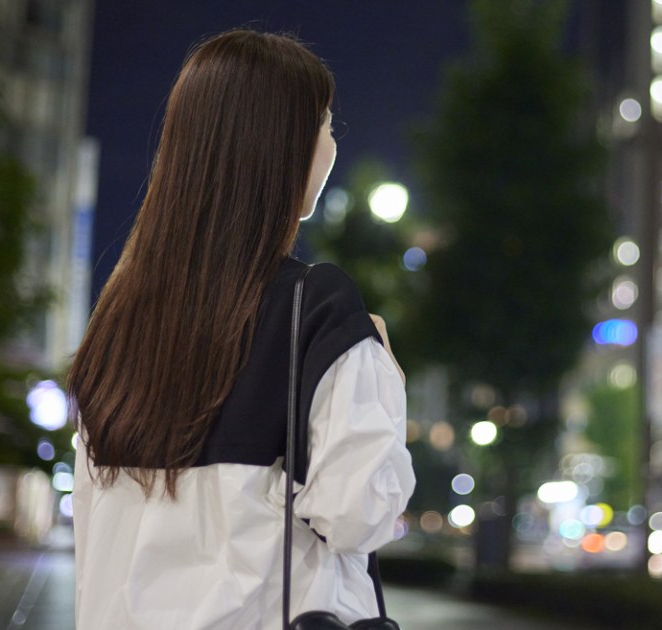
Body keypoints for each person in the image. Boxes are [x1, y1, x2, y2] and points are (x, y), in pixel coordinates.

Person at [67, 29, 414, 629]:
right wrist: (384, 371)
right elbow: (361, 513)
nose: (332, 145)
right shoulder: (317, 307)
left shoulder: (116, 324)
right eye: (327, 126)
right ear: (281, 145)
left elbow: (96, 538)